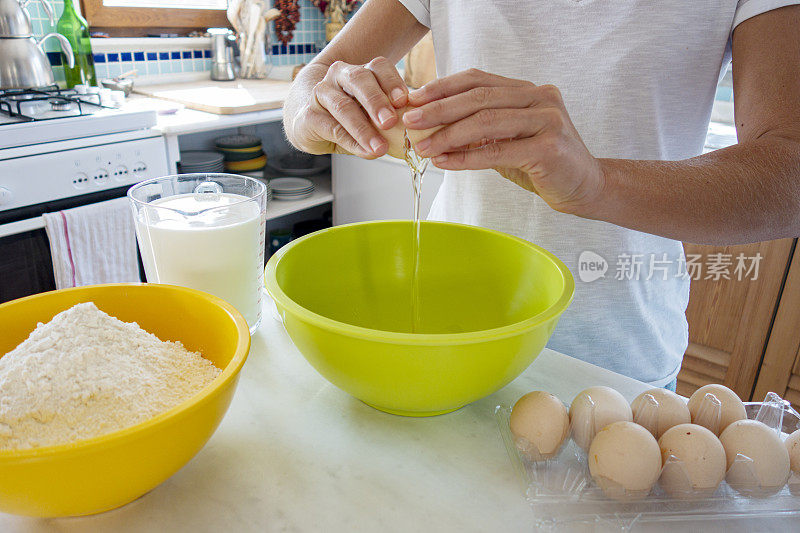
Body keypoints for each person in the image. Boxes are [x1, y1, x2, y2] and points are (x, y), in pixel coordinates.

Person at [282, 0, 800, 388]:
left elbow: (790, 171)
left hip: (615, 359)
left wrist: (598, 183)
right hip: (446, 341)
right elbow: (310, 85)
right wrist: (317, 111)